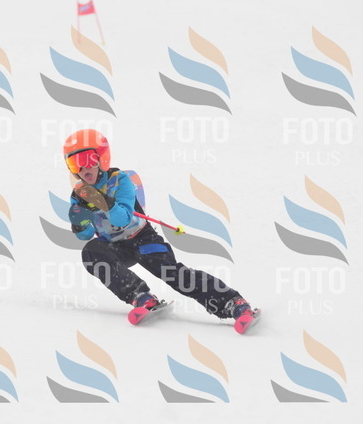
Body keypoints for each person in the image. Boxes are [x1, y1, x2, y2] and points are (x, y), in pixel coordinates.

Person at [64, 129, 259, 333]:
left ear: (102, 158)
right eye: (74, 163)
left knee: (171, 273)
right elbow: (86, 235)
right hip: (115, 246)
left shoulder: (120, 180)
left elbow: (122, 219)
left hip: (142, 239)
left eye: (88, 159)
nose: (83, 167)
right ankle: (140, 297)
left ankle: (233, 303)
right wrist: (79, 224)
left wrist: (102, 202)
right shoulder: (79, 194)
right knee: (91, 251)